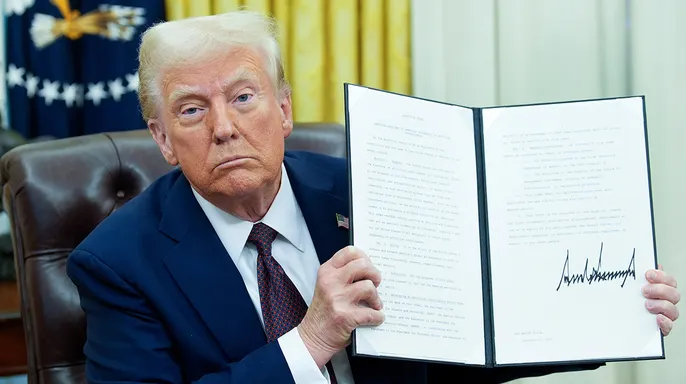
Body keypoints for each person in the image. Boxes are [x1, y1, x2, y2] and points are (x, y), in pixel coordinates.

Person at [66, 10, 681, 384]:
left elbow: (473, 333)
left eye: (244, 97)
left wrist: (608, 316)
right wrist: (310, 341)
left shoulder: (371, 191)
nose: (223, 127)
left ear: (284, 110)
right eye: (192, 109)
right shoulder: (119, 262)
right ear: (163, 139)